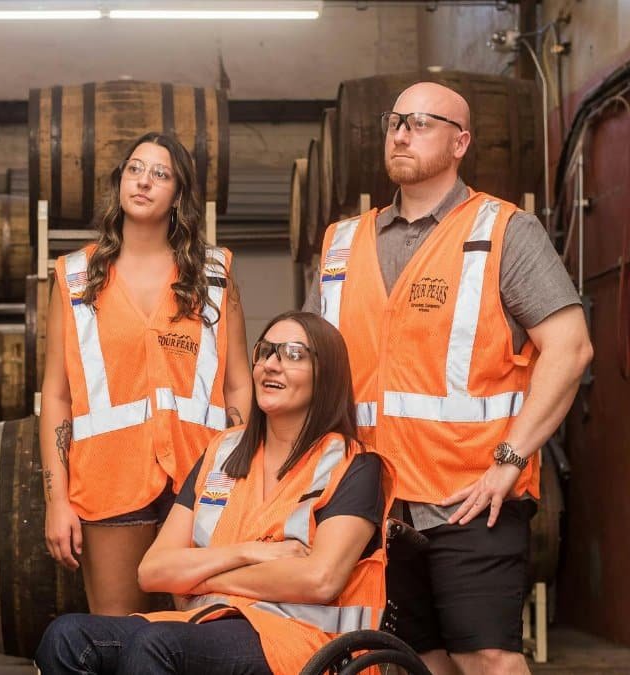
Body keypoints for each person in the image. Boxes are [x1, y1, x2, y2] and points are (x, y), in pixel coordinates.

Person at [305, 81, 593, 675]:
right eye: (394, 122)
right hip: (372, 502)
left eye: (421, 122)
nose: (401, 133)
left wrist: (509, 462)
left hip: (470, 497)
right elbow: (311, 360)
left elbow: (571, 348)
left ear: (460, 142)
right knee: (414, 660)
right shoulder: (342, 242)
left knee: (486, 657)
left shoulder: (504, 231)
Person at [36, 311, 389, 675]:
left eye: (293, 354)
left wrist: (202, 578)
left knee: (157, 644)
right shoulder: (222, 452)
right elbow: (153, 571)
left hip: (304, 641)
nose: (271, 364)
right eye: (265, 351)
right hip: (211, 624)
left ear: (326, 375)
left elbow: (319, 579)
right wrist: (252, 553)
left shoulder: (354, 465)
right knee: (67, 636)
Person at [39, 132, 252, 615]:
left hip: (201, 482)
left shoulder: (214, 274)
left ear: (178, 195)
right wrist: (57, 499)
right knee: (117, 639)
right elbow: (55, 394)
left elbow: (239, 380)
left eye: (161, 173)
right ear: (120, 183)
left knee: (203, 637)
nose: (144, 181)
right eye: (135, 169)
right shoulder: (75, 277)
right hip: (107, 483)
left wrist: (242, 475)